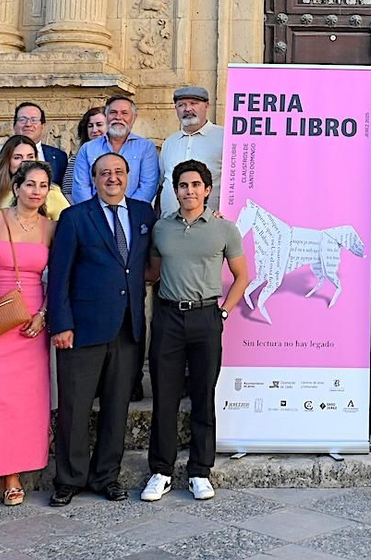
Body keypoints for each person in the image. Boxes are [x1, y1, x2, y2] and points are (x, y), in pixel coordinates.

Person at [47, 152, 154, 505]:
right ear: (93, 179)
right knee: (74, 408)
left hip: (127, 328)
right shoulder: (75, 217)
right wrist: (61, 324)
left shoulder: (143, 214)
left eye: (119, 172)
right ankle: (69, 479)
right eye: (104, 173)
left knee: (116, 408)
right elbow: (59, 275)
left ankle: (106, 476)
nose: (112, 178)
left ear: (128, 176)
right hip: (82, 329)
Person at [141, 161, 250, 501]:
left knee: (203, 396)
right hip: (168, 318)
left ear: (207, 189)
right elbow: (153, 273)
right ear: (175, 191)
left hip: (206, 317)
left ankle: (200, 471)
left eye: (195, 185)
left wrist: (224, 312)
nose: (189, 191)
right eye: (183, 185)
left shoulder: (224, 229)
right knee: (165, 396)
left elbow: (242, 276)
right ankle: (161, 471)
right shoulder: (161, 228)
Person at [0, 162, 54, 509]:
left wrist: (44, 314)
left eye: (43, 185)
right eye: (30, 184)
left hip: (31, 322)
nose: (36, 191)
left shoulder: (51, 227)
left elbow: (59, 275)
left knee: (22, 401)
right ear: (16, 187)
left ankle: (11, 474)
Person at [69, 95, 161, 206]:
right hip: (93, 214)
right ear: (106, 116)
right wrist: (95, 212)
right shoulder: (87, 149)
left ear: (134, 117)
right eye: (113, 112)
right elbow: (80, 187)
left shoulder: (146, 148)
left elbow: (148, 186)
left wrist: (127, 210)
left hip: (133, 213)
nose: (118, 117)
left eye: (124, 113)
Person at [158, 86, 226, 219]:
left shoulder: (224, 138)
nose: (188, 109)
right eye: (181, 105)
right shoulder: (169, 142)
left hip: (209, 223)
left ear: (207, 105)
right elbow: (162, 182)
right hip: (170, 223)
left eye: (194, 103)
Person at [0, 134, 72, 218]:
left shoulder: (51, 192)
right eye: (17, 157)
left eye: (30, 157)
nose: (25, 162)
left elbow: (69, 220)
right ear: (7, 161)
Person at [14, 101, 68, 188]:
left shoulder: (59, 157)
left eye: (34, 120)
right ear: (14, 126)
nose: (28, 124)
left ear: (43, 126)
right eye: (22, 120)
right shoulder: (3, 154)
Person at [63, 107, 106, 198]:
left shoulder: (122, 153)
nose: (94, 130)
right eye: (90, 126)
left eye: (99, 125)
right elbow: (67, 190)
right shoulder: (78, 157)